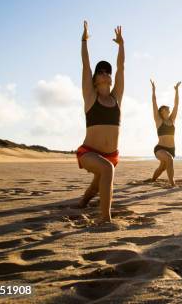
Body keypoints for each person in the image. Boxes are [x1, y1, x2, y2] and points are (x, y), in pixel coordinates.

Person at [76, 20, 124, 223]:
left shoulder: (116, 98)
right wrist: (84, 40)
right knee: (107, 171)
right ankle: (105, 218)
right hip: (89, 153)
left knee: (98, 184)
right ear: (95, 80)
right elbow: (86, 65)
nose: (105, 73)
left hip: (111, 155)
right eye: (101, 71)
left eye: (107, 72)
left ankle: (83, 202)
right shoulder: (90, 96)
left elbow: (121, 67)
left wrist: (121, 45)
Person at [150, 79, 181, 185]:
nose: (168, 110)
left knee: (162, 167)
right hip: (160, 149)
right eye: (166, 109)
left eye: (168, 109)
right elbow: (154, 103)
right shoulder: (159, 121)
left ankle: (152, 179)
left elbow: (176, 105)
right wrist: (153, 90)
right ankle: (172, 183)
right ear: (161, 112)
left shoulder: (172, 120)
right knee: (169, 159)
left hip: (171, 149)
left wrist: (176, 90)